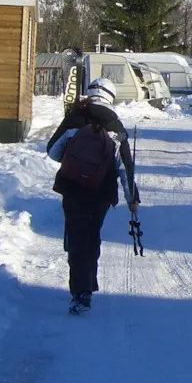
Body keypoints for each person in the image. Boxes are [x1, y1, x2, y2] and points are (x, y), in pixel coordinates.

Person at [47, 77, 141, 315]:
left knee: (76, 238)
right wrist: (133, 200)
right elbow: (124, 167)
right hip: (101, 192)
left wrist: (73, 161)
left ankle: (80, 291)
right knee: (91, 235)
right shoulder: (115, 125)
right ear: (111, 96)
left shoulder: (74, 118)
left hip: (72, 188)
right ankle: (87, 284)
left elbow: (52, 150)